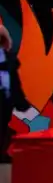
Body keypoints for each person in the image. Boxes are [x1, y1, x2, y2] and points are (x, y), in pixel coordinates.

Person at [0, 25, 27, 162]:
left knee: (2, 129)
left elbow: (14, 83)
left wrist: (21, 102)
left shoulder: (9, 60)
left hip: (4, 103)